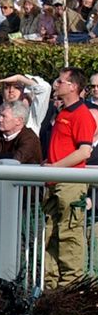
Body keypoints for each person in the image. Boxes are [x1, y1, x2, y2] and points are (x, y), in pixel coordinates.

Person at [42, 67, 96, 289]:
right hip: (55, 182)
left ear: (73, 86)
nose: (56, 85)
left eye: (60, 81)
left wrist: (54, 167)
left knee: (69, 234)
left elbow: (85, 151)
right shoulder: (62, 112)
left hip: (70, 183)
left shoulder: (82, 114)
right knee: (51, 234)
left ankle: (70, 290)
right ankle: (51, 289)